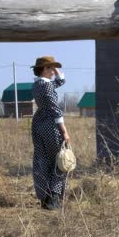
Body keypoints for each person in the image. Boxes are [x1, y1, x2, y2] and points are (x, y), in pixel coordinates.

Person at [31, 56, 71, 210]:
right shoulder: (46, 87)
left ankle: (44, 198)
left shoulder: (37, 85)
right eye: (51, 68)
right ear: (44, 69)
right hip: (50, 126)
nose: (54, 72)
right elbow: (56, 110)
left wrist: (53, 67)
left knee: (42, 160)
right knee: (60, 161)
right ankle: (54, 199)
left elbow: (61, 81)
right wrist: (64, 132)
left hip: (38, 125)